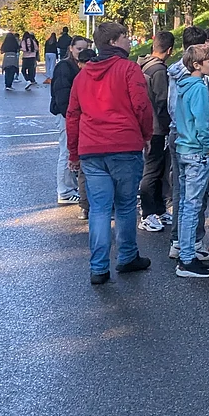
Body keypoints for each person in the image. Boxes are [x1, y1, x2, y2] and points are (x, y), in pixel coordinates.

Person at [65, 20, 154, 288]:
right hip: (124, 145)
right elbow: (142, 106)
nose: (129, 40)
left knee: (100, 209)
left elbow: (73, 116)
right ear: (114, 42)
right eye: (125, 36)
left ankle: (98, 267)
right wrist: (146, 135)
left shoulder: (82, 76)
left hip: (92, 149)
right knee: (126, 205)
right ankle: (126, 256)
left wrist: (74, 152)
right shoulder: (129, 69)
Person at [174, 43, 209, 279]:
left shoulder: (183, 86)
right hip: (196, 151)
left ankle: (185, 249)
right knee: (193, 206)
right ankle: (187, 259)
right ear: (197, 65)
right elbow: (202, 123)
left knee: (185, 204)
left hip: (183, 147)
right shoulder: (199, 88)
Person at [167, 27, 209, 262]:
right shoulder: (196, 82)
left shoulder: (175, 73)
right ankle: (190, 246)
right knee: (194, 198)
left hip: (178, 135)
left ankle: (180, 243)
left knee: (182, 194)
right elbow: (201, 120)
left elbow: (172, 107)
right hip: (193, 141)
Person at [139, 30, 175, 232]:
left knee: (159, 169)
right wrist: (168, 124)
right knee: (153, 170)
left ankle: (159, 210)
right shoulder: (159, 71)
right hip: (157, 129)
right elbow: (162, 102)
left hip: (148, 126)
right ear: (170, 50)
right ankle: (147, 213)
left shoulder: (144, 65)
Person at [50, 35, 90, 204]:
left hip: (75, 115)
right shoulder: (64, 67)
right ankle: (64, 191)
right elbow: (62, 95)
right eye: (78, 48)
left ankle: (72, 188)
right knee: (66, 151)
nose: (80, 52)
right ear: (71, 48)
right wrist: (71, 117)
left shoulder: (79, 66)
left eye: (84, 49)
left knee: (73, 151)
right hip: (66, 114)